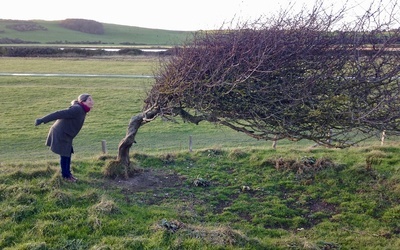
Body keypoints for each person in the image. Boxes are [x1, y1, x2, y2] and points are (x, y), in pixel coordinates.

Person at [35, 93, 94, 182]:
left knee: (68, 153)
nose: (92, 101)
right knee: (65, 154)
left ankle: (68, 174)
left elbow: (74, 103)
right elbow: (59, 114)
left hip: (67, 133)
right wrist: (42, 120)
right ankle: (66, 176)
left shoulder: (81, 108)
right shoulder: (77, 109)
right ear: (83, 101)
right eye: (89, 99)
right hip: (61, 133)